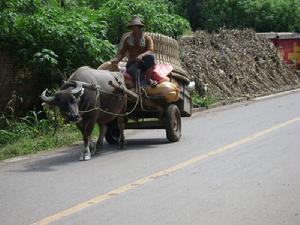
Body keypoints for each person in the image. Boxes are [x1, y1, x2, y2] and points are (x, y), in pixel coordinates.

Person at [111, 15, 156, 86]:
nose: (134, 28)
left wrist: (141, 55)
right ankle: (141, 85)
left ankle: (148, 79)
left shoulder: (147, 38)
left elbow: (151, 50)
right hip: (132, 63)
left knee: (151, 58)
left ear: (139, 27)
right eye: (132, 27)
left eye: (135, 26)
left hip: (143, 63)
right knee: (134, 71)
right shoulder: (127, 39)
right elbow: (122, 52)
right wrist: (117, 60)